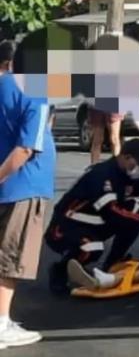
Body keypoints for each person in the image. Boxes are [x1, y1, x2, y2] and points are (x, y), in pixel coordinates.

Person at [45, 138, 139, 294]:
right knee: (92, 247)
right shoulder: (101, 175)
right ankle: (59, 271)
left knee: (134, 216)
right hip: (64, 227)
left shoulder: (133, 179)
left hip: (92, 225)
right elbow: (112, 213)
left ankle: (111, 265)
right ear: (126, 157)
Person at [0, 40, 56, 348]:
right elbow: (26, 147)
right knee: (11, 256)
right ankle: (1, 324)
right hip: (24, 185)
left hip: (11, 186)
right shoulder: (33, 92)